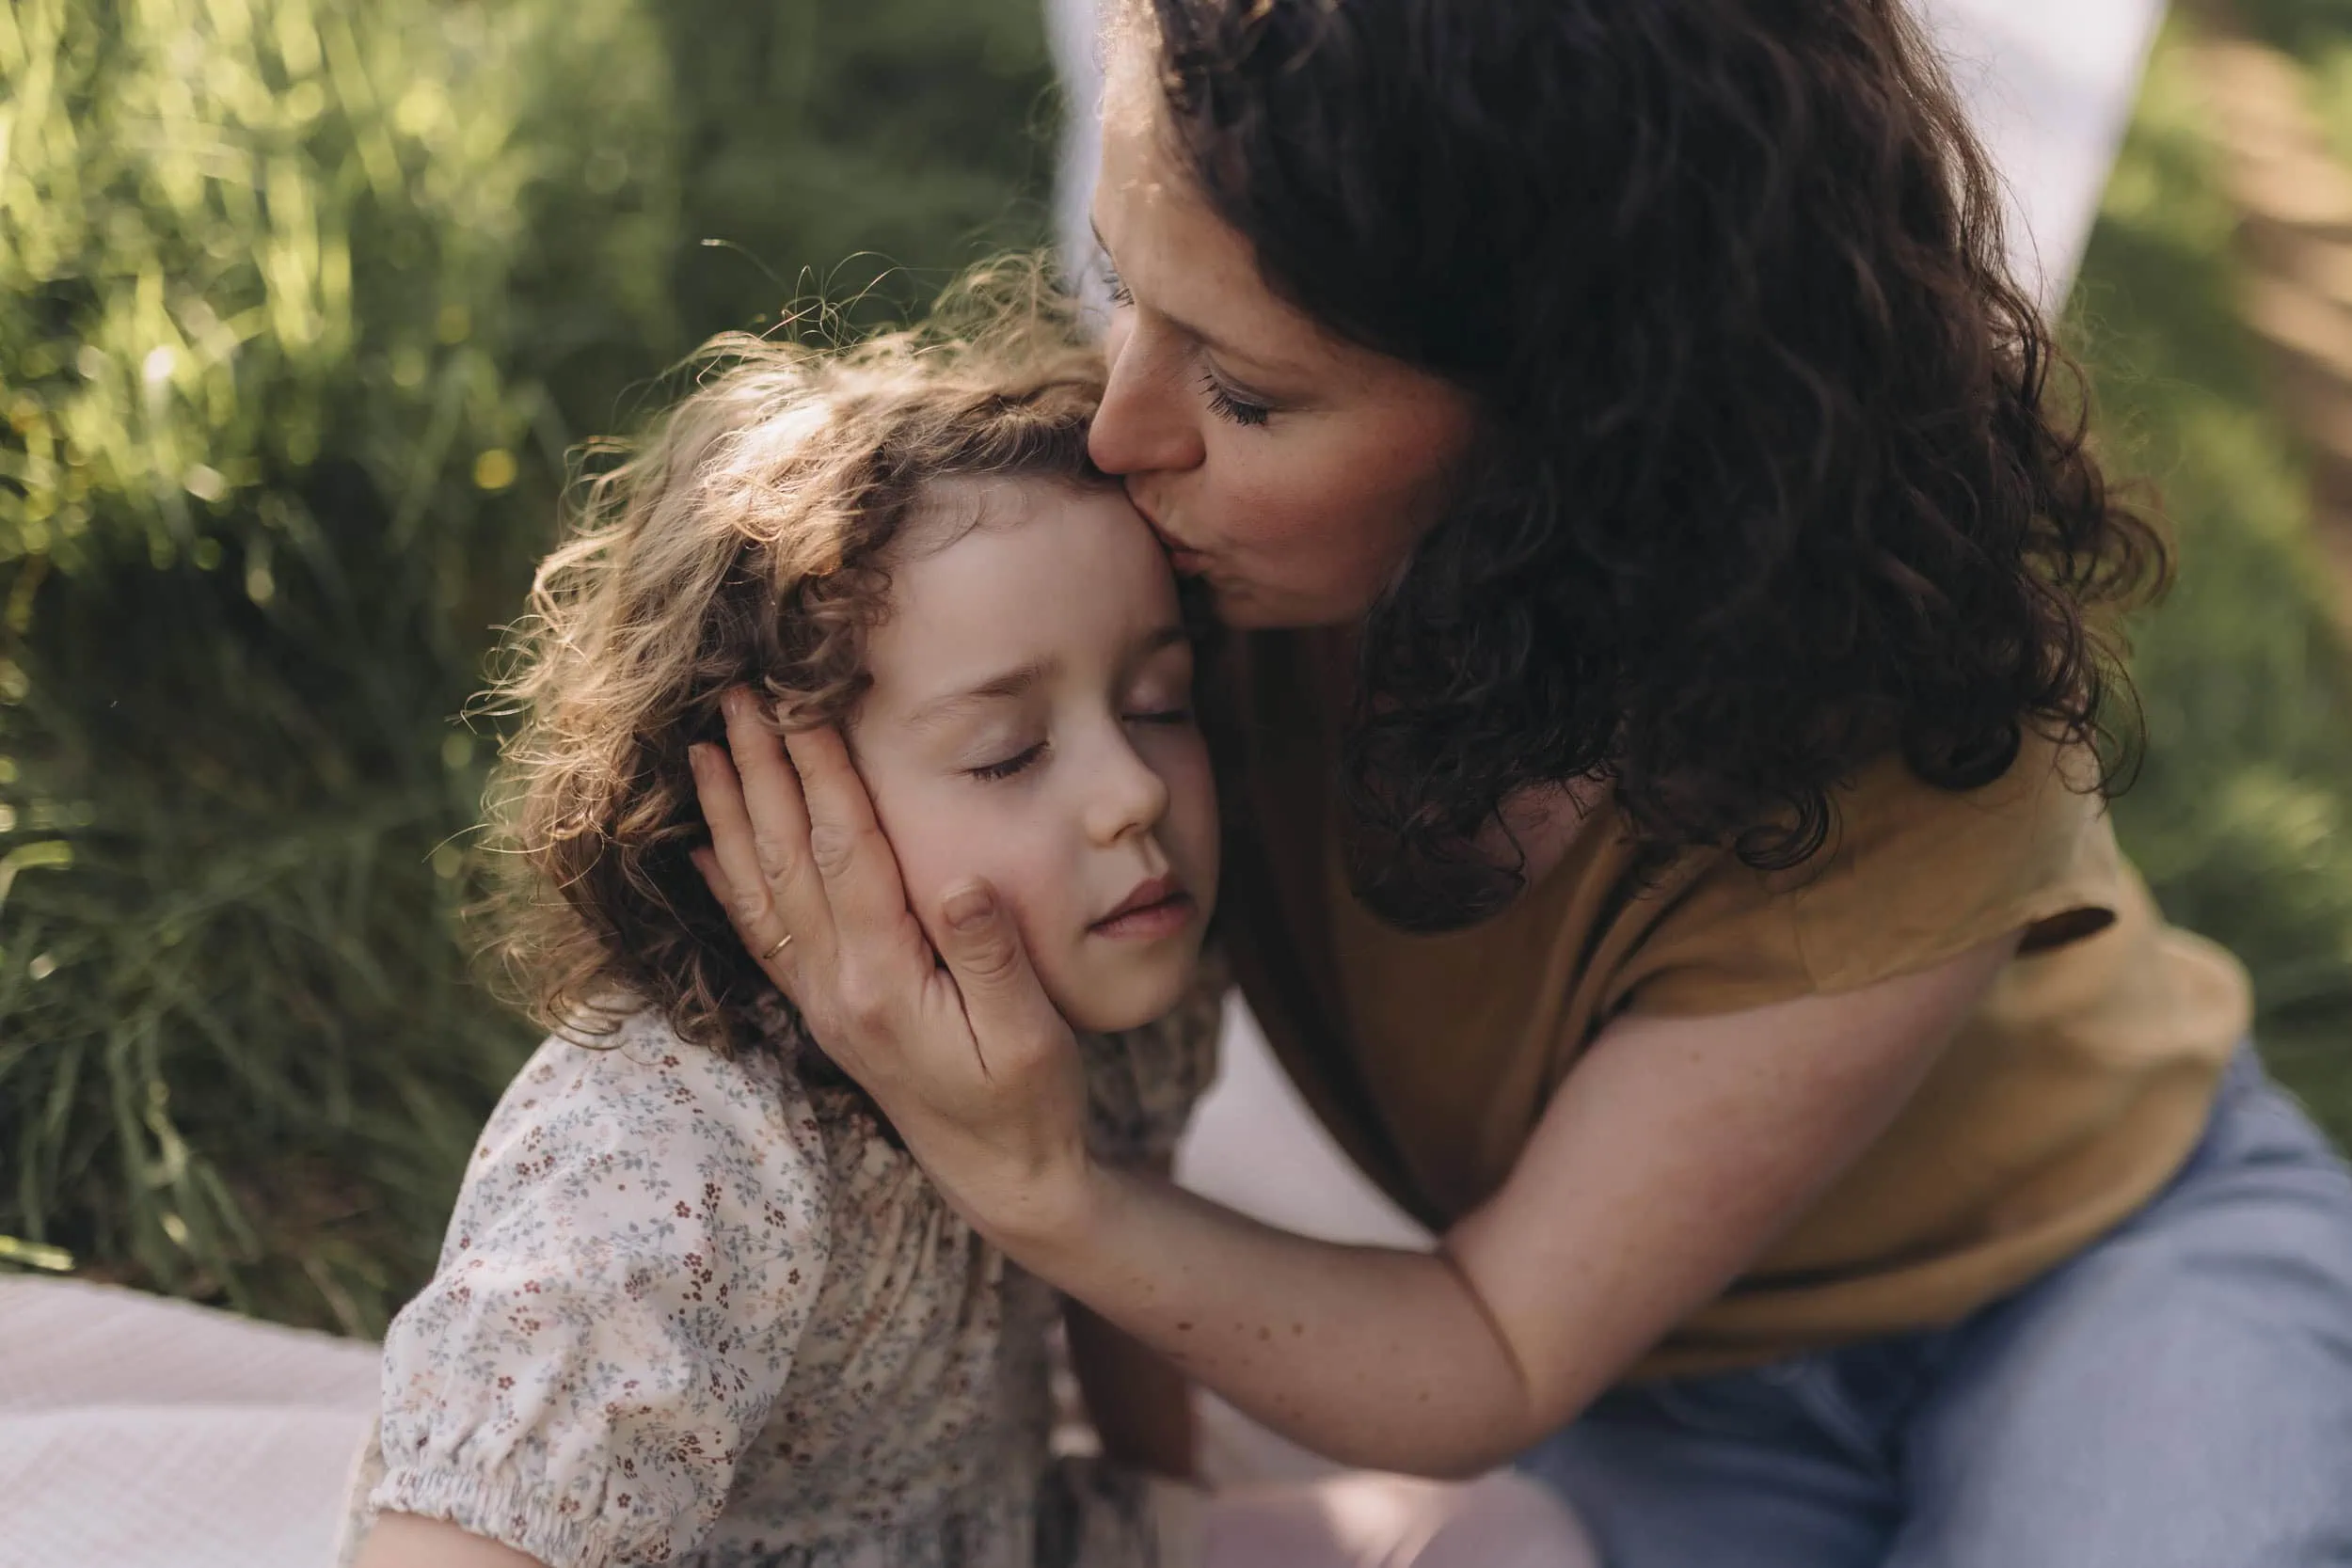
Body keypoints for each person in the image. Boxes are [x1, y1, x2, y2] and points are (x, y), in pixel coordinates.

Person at [687, 3, 2352, 1565]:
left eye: (1248, 391)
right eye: (1127, 293)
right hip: (1668, 1392)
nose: (1121, 434)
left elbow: (1487, 1345)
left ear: (1582, 429)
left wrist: (1042, 1183)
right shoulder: (1158, 581)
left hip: (2105, 1266)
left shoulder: (1910, 748)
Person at [344, 289, 1593, 1568]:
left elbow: (1131, 1271)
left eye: (1160, 701)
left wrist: (1161, 1520)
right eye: (1007, 754)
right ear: (774, 816)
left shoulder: (1103, 978)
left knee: (1514, 1533)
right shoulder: (681, 1161)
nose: (1135, 792)